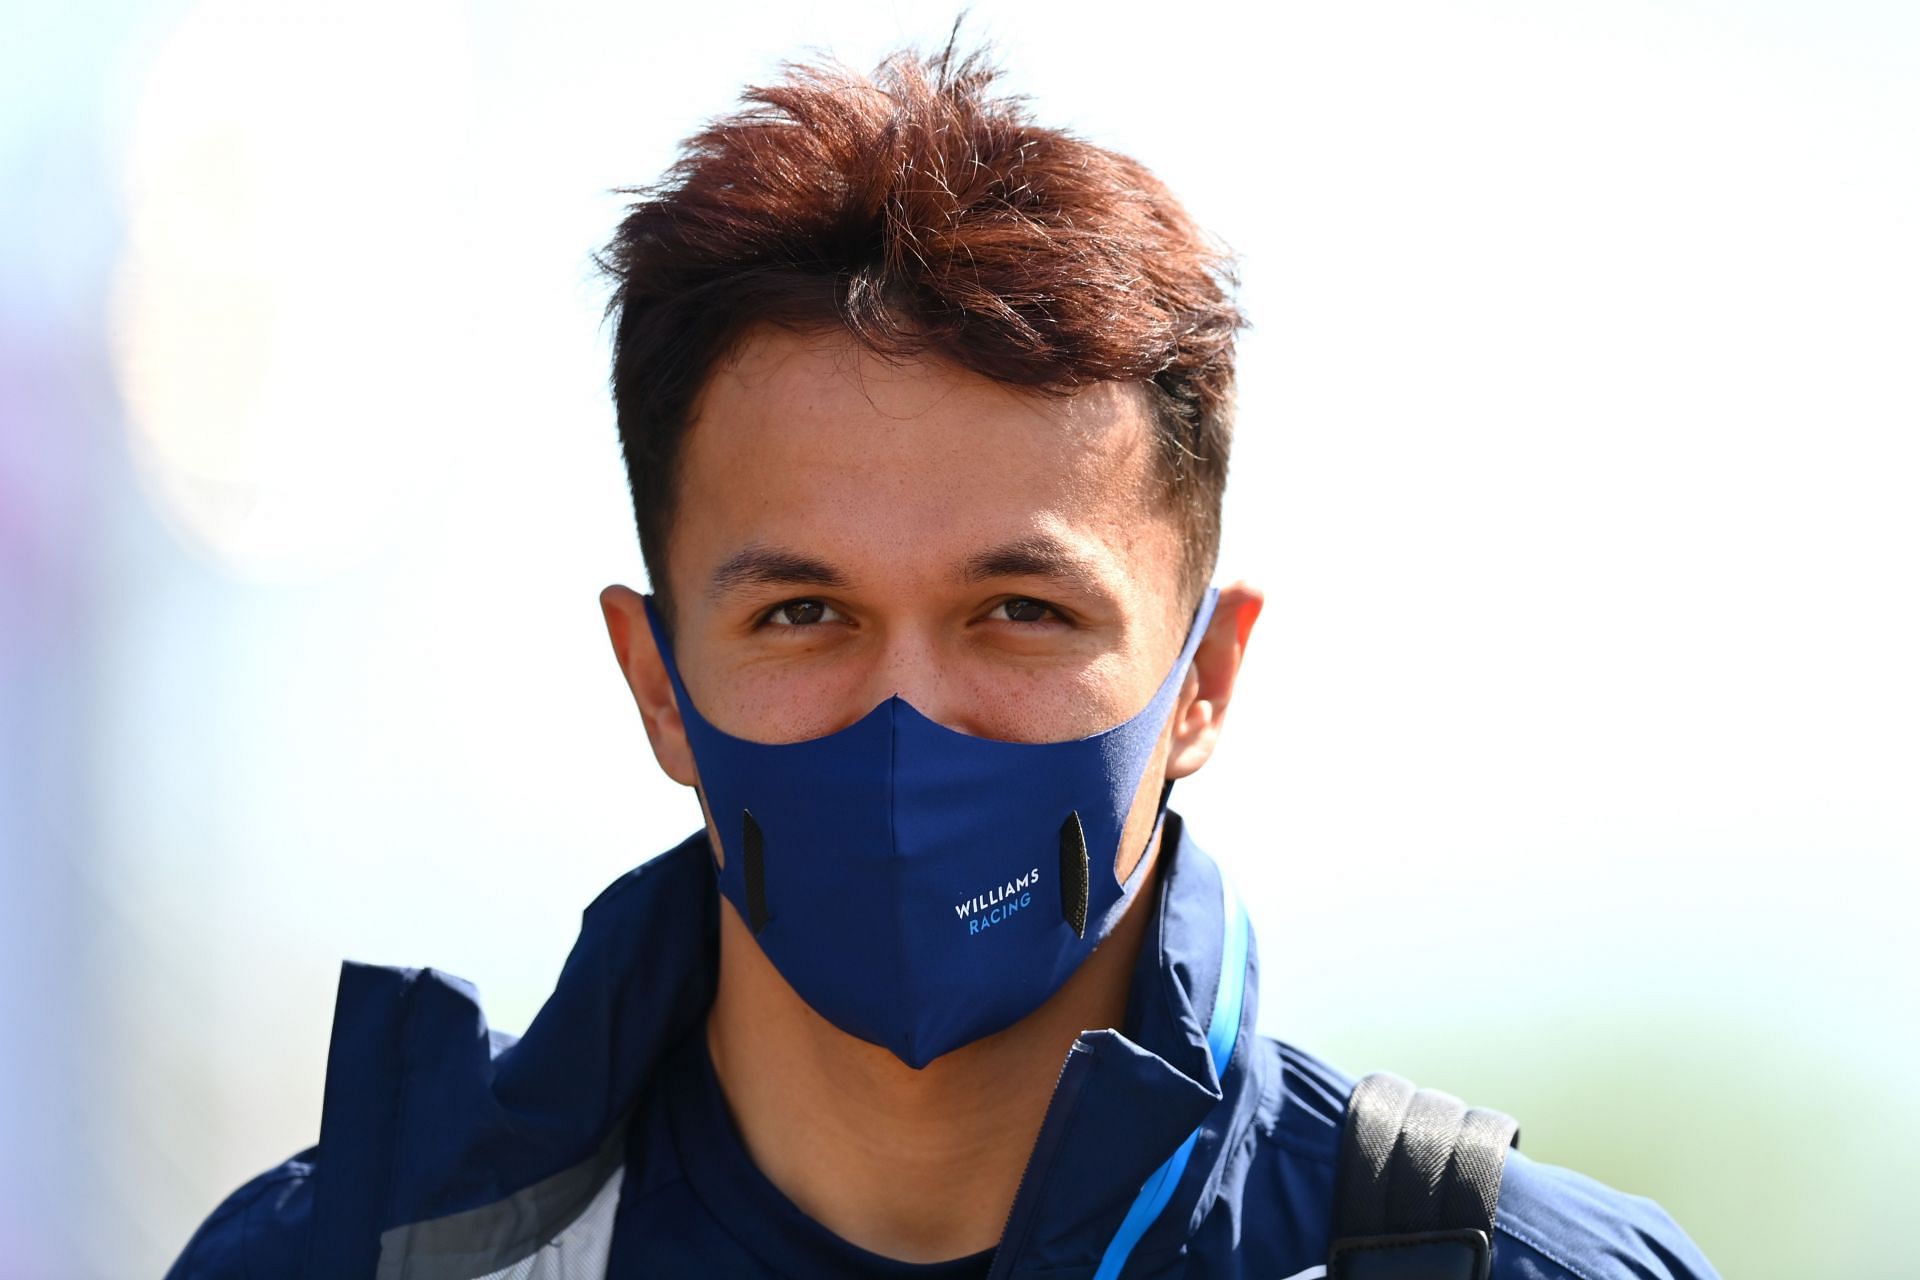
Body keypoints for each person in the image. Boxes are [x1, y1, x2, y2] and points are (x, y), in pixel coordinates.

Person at [169, 40, 1717, 1280]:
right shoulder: (336, 1262)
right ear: (657, 685)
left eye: (1020, 612)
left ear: (1205, 682)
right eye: (804, 614)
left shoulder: (1516, 1267)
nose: (908, 713)